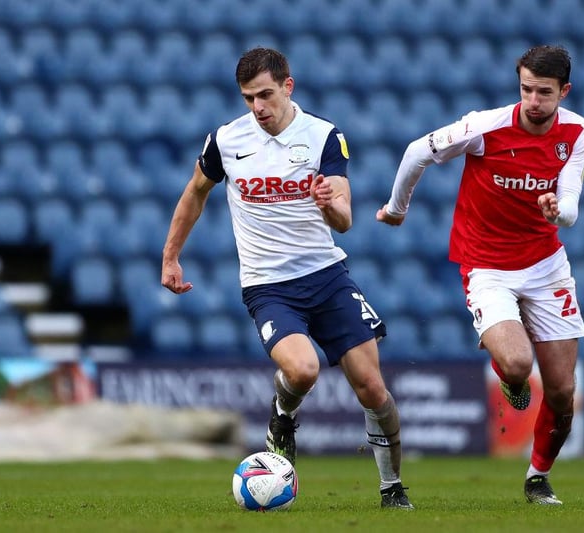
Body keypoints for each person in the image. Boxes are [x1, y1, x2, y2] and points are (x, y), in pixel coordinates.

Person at [161, 47, 413, 510]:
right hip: (268, 285)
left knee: (373, 389)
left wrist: (327, 203)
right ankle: (283, 414)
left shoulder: (323, 137)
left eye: (265, 95)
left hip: (327, 277)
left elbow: (345, 221)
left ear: (288, 86)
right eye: (248, 98)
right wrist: (171, 256)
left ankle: (392, 488)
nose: (257, 107)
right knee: (302, 368)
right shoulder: (226, 140)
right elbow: (194, 194)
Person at [377, 45, 584, 506]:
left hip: (546, 264)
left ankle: (537, 478)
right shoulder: (486, 126)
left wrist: (560, 211)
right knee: (517, 365)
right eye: (526, 89)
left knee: (562, 391)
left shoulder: (576, 131)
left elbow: (570, 200)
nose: (533, 100)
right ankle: (511, 381)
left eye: (544, 93)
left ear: (564, 91)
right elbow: (418, 151)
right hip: (487, 265)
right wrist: (397, 209)